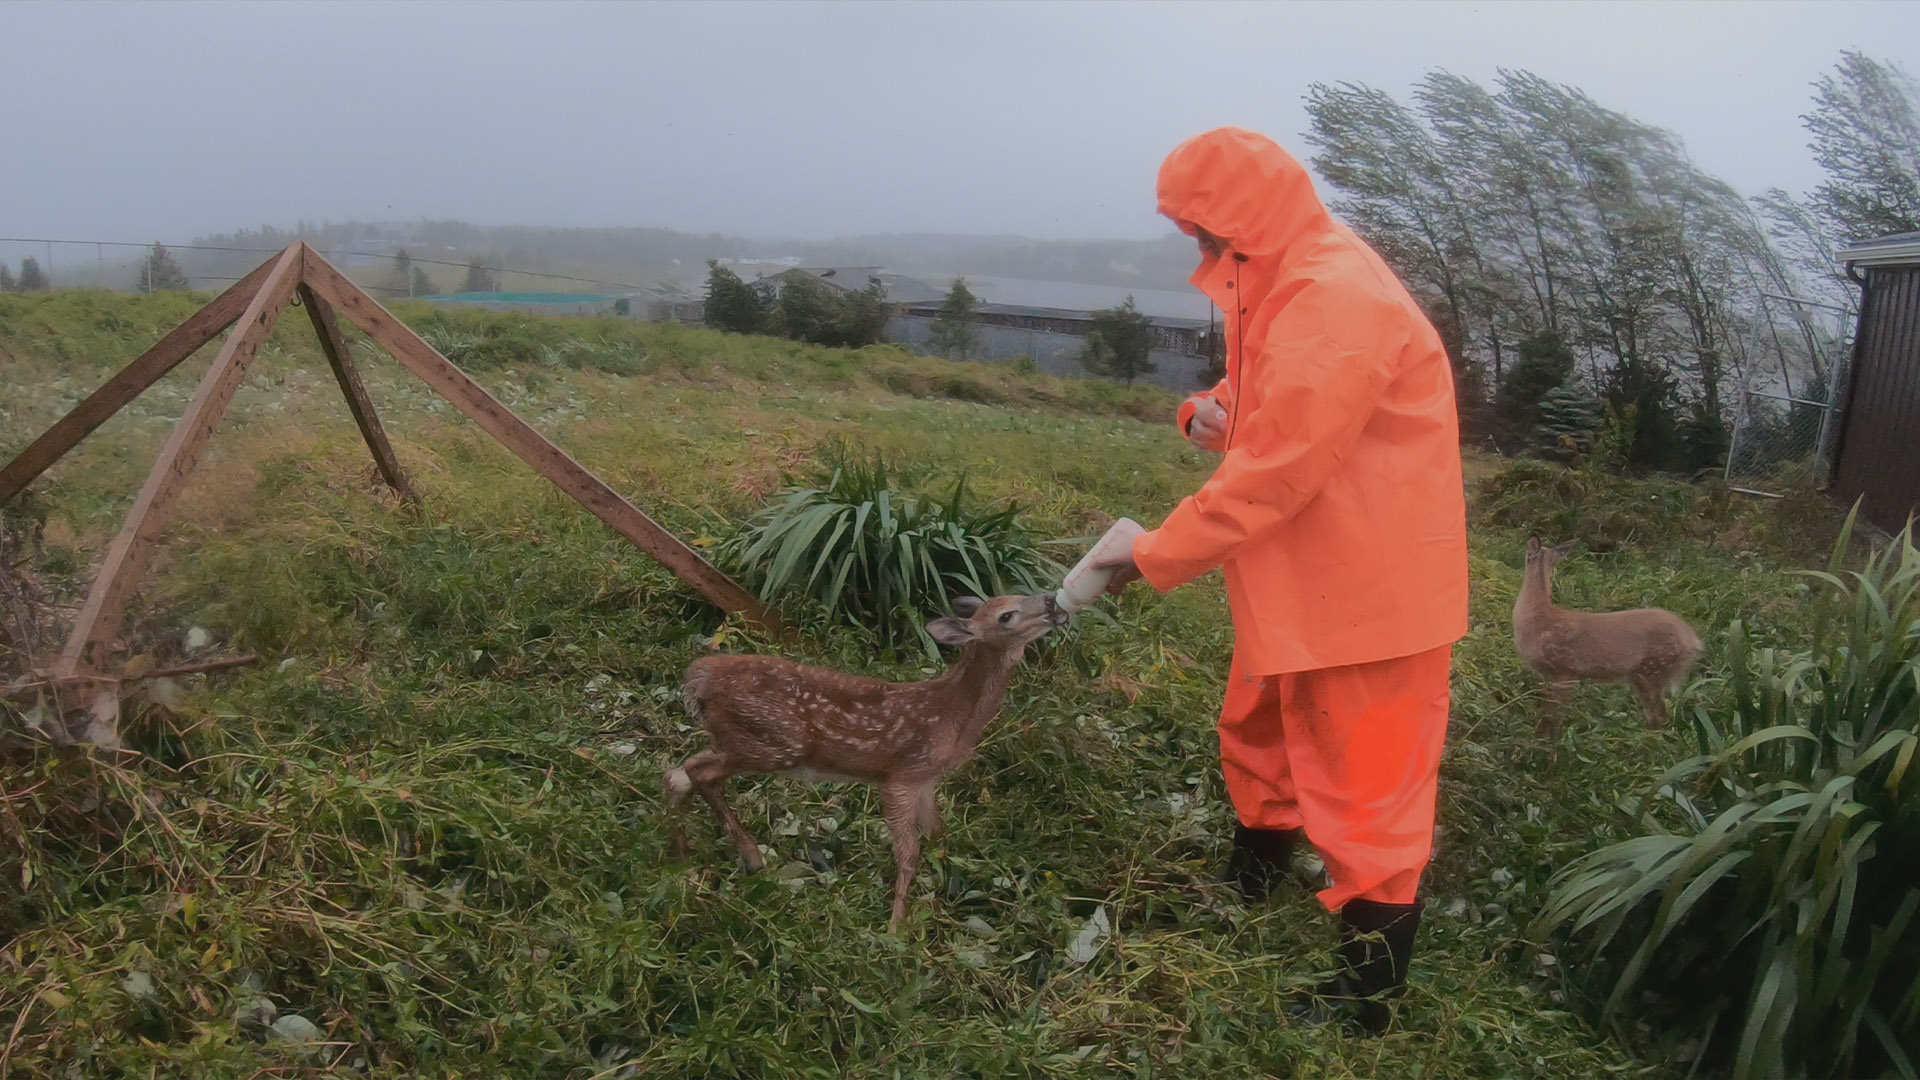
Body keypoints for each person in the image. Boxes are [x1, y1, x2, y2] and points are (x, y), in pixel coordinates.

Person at [1094, 126, 1469, 1035]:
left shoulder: (1335, 293)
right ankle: (1251, 881)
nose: (1198, 248)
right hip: (1302, 574)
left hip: (1373, 592)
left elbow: (1278, 469)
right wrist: (1205, 412)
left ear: (1245, 220)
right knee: (1259, 724)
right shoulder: (1277, 273)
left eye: (1204, 230)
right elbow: (1272, 401)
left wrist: (1146, 554)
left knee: (1371, 788)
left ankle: (1365, 999)